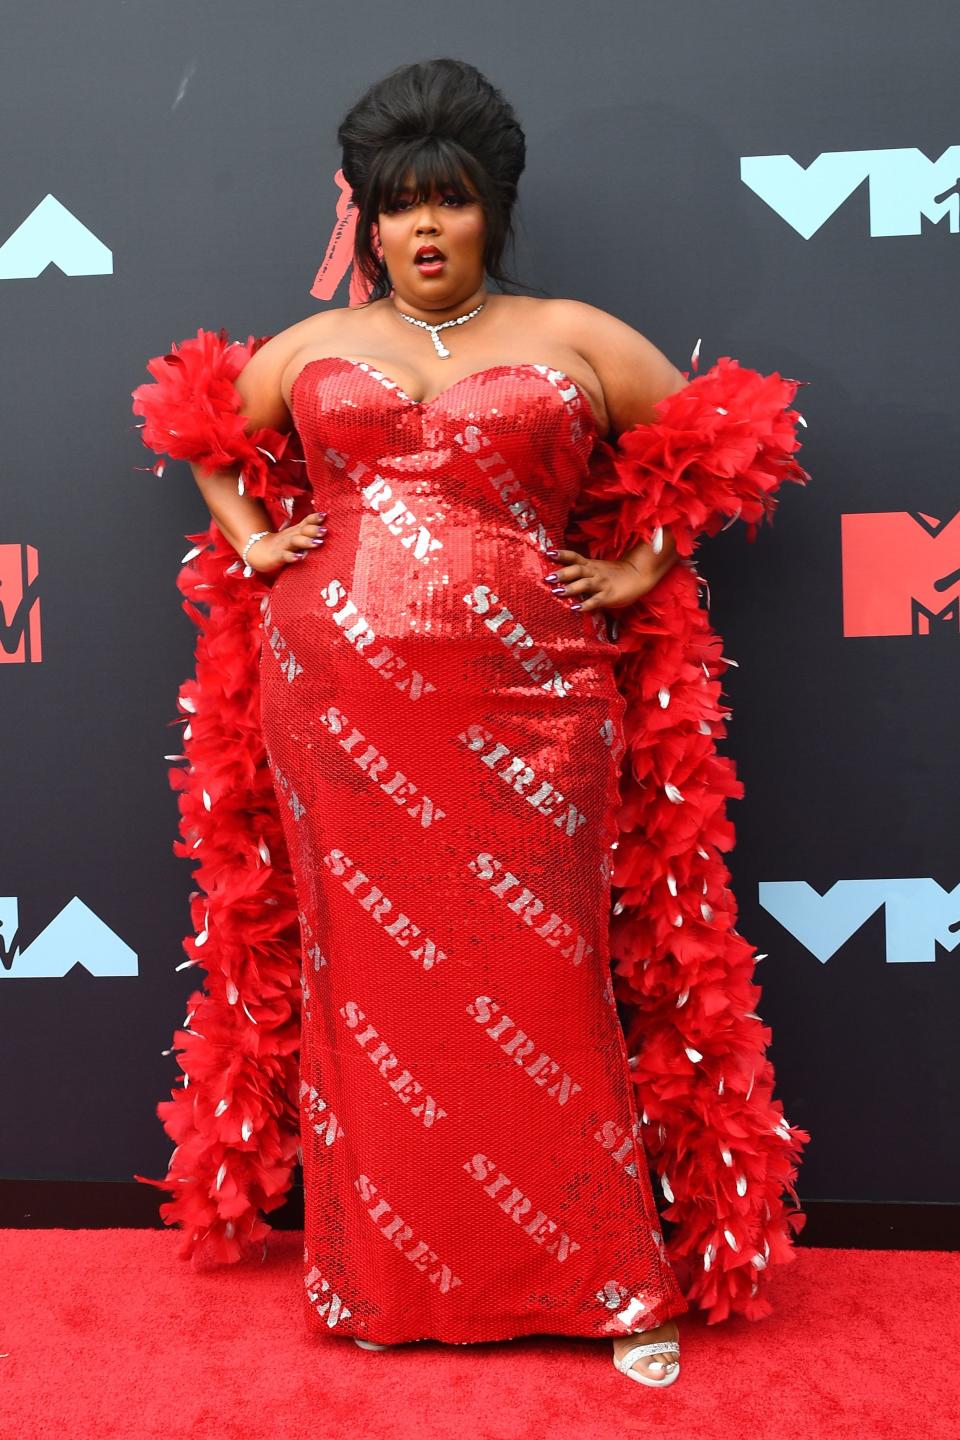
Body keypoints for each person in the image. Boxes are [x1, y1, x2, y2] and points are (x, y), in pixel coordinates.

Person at [131, 56, 810, 1389]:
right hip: (342, 710)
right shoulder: (317, 347)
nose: (423, 230)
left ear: (490, 209)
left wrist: (645, 563)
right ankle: (384, 1280)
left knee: (545, 989)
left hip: (535, 711)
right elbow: (201, 420)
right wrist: (256, 537)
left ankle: (609, 1281)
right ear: (368, 223)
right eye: (397, 207)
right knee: (369, 995)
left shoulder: (570, 332)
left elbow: (733, 434)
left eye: (447, 203)